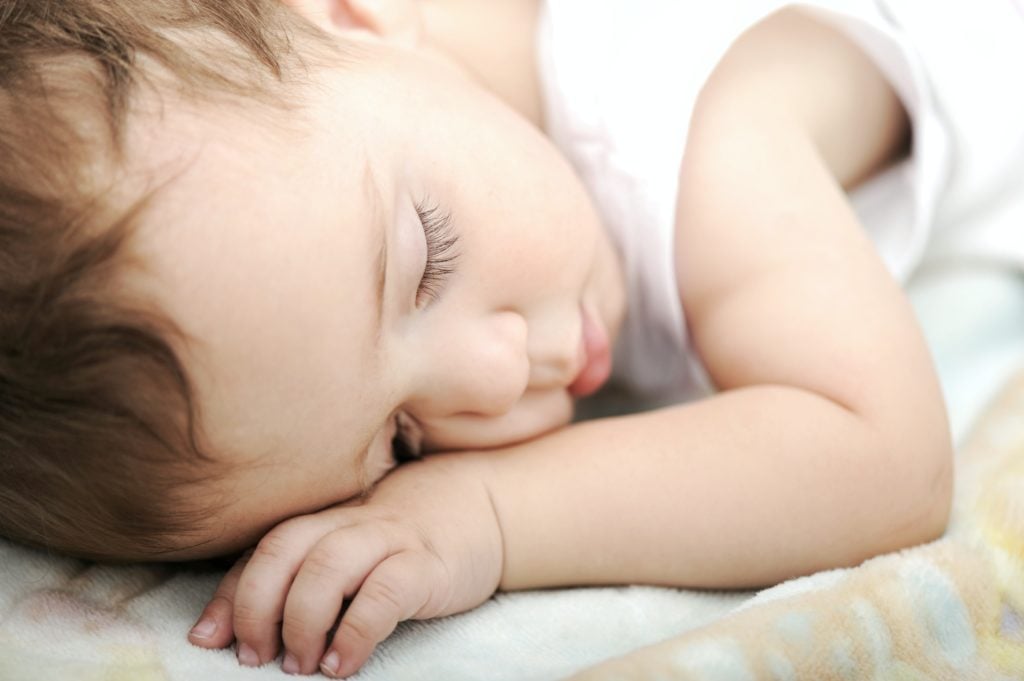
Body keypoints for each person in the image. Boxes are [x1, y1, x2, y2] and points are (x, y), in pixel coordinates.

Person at [3, 0, 1022, 677]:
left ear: (357, 15)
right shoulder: (368, 132)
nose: (491, 382)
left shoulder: (688, 124)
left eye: (429, 260)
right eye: (402, 441)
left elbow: (881, 456)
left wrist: (483, 512)